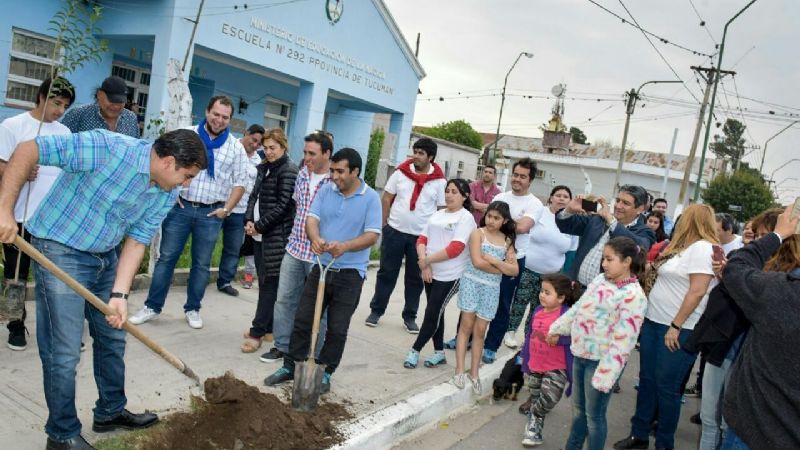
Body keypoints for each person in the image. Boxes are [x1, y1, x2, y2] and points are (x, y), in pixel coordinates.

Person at [0, 128, 206, 450]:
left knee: (112, 336)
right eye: (187, 176)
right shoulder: (106, 148)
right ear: (168, 162)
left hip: (105, 256)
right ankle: (61, 434)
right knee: (64, 350)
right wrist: (4, 210)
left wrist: (120, 295)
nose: (187, 184)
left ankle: (110, 412)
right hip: (59, 249)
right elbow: (29, 149)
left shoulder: (165, 192)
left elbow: (138, 239)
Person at [264, 148, 381, 393]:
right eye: (333, 171)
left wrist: (346, 246)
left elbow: (372, 235)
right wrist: (315, 238)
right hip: (321, 267)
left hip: (350, 273)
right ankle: (290, 365)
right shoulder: (327, 189)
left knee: (337, 328)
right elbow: (311, 219)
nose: (334, 176)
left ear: (355, 172)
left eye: (340, 172)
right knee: (303, 319)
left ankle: (326, 372)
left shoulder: (371, 198)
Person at [130, 95, 248, 329]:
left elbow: (241, 182)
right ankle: (152, 307)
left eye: (225, 117)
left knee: (202, 264)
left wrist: (226, 209)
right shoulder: (187, 134)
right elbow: (165, 163)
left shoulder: (235, 147)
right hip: (180, 208)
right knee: (166, 259)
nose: (219, 120)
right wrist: (170, 196)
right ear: (206, 112)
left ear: (230, 120)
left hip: (211, 214)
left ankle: (193, 308)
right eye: (216, 114)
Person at [614, 204, 719, 450]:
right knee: (648, 381)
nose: (679, 223)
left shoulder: (702, 249)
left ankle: (664, 443)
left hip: (677, 329)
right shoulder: (680, 248)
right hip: (654, 322)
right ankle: (638, 434)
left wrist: (676, 325)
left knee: (667, 388)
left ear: (693, 221)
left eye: (684, 219)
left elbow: (697, 291)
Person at [685, 208, 782, 450]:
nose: (757, 240)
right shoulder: (742, 264)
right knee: (709, 421)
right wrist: (727, 277)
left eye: (764, 235)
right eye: (757, 235)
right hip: (721, 349)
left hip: (747, 362)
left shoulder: (780, 281)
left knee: (731, 426)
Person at [550, 237, 648, 450]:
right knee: (578, 411)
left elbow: (624, 342)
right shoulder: (601, 280)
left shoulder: (634, 296)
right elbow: (579, 308)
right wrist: (558, 327)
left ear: (627, 261)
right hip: (581, 354)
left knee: (594, 417)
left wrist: (606, 374)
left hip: (601, 364)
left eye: (609, 259)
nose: (603, 263)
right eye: (604, 258)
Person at [0, 76, 75, 351]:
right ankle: (16, 326)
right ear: (41, 97)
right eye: (56, 103)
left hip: (53, 221)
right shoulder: (14, 126)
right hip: (19, 217)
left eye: (64, 106)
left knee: (55, 278)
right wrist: (17, 171)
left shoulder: (65, 134)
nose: (59, 110)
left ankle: (60, 331)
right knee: (16, 275)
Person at [716, 206, 800, 450]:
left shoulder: (781, 291)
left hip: (753, 428)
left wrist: (777, 235)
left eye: (765, 235)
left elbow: (736, 265)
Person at [259, 132, 333, 363]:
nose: (307, 158)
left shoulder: (335, 182)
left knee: (317, 308)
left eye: (312, 153)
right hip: (294, 249)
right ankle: (282, 346)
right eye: (305, 153)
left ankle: (314, 353)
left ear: (327, 154)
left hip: (318, 256)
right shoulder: (302, 174)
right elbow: (294, 208)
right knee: (284, 301)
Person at [366, 137, 446, 332]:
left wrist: (435, 238)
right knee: (386, 273)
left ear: (431, 157)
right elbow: (386, 198)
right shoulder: (400, 173)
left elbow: (441, 210)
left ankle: (410, 316)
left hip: (420, 239)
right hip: (394, 231)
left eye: (420, 153)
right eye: (414, 152)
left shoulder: (439, 181)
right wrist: (384, 224)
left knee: (415, 278)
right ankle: (376, 310)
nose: (415, 156)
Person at [403, 179, 476, 369]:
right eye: (447, 191)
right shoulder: (437, 214)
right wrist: (424, 264)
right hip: (430, 272)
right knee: (436, 312)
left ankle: (415, 350)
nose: (449, 195)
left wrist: (427, 260)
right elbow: (422, 238)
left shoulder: (465, 217)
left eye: (455, 192)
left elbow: (456, 248)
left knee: (432, 311)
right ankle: (439, 353)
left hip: (452, 275)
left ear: (465, 196)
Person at [480, 158, 544, 363]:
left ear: (530, 180)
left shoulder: (534, 204)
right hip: (488, 253)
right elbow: (487, 223)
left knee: (502, 303)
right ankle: (469, 337)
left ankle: (491, 346)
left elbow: (522, 228)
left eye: (522, 176)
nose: (517, 179)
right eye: (515, 174)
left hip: (513, 260)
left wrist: (500, 224)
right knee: (479, 296)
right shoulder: (500, 196)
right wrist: (505, 223)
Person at [240, 128, 298, 352]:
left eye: (273, 148)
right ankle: (269, 328)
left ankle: (257, 333)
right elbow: (253, 196)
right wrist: (248, 219)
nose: (269, 152)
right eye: (266, 148)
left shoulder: (288, 170)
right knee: (266, 282)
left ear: (283, 147)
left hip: (275, 237)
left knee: (268, 285)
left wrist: (259, 225)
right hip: (259, 234)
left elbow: (284, 206)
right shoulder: (264, 168)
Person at [452, 201, 519, 394]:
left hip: (491, 289)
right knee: (466, 327)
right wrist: (500, 269)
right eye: (489, 216)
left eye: (497, 218)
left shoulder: (507, 241)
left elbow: (514, 270)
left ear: (504, 220)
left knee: (480, 331)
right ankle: (459, 370)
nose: (491, 220)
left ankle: (474, 373)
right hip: (472, 283)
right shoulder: (477, 234)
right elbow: (477, 262)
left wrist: (495, 261)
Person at [505, 184, 573, 349]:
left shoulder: (573, 222)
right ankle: (511, 332)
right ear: (551, 198)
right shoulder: (540, 212)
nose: (562, 198)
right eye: (558, 195)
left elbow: (572, 250)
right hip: (529, 267)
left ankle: (529, 337)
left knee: (540, 308)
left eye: (566, 196)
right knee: (520, 301)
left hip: (551, 276)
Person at [519, 273, 579, 447]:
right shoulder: (538, 310)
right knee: (536, 395)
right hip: (535, 365)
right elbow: (530, 335)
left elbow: (577, 338)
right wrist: (525, 358)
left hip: (556, 367)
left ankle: (535, 414)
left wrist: (561, 340)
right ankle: (535, 429)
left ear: (561, 298)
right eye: (542, 291)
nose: (541, 295)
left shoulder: (567, 315)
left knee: (549, 398)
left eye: (547, 292)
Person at [557, 184, 655, 289]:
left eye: (625, 203)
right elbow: (566, 225)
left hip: (605, 296)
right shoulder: (598, 219)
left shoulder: (645, 232)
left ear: (640, 209)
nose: (618, 206)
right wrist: (569, 210)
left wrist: (611, 221)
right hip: (576, 288)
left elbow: (638, 246)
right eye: (618, 200)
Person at [216, 124, 264, 294]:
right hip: (220, 205)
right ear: (246, 133)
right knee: (206, 246)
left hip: (241, 211)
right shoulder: (230, 149)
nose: (256, 145)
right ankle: (197, 278)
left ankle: (225, 282)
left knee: (233, 248)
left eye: (259, 143)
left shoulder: (259, 161)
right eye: (254, 140)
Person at [60, 75, 139, 138]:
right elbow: (60, 144)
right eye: (112, 101)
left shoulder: (131, 119)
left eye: (120, 102)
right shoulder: (78, 114)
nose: (116, 107)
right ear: (99, 94)